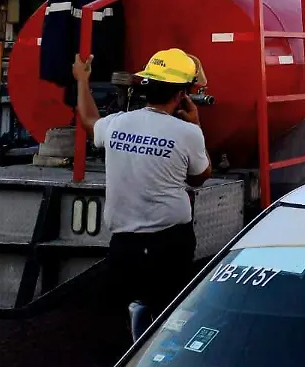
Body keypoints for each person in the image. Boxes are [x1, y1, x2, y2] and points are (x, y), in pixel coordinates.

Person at [73, 48, 212, 340]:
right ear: (181, 94)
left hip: (124, 243)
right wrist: (195, 123)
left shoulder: (117, 123)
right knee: (169, 315)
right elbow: (200, 177)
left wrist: (82, 81)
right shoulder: (187, 133)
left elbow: (88, 121)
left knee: (119, 316)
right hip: (170, 242)